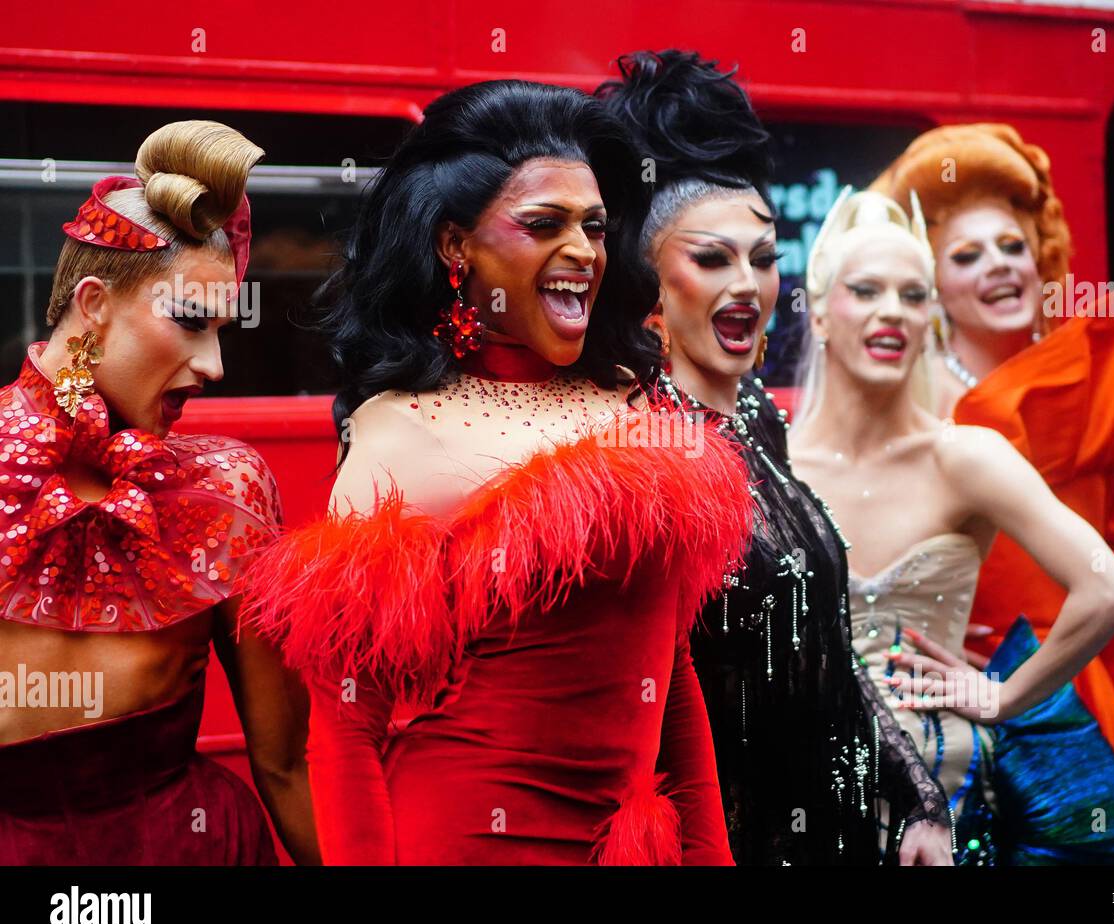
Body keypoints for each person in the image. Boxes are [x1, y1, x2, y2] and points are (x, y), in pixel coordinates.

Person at [240, 80, 751, 865]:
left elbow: (674, 674)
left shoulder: (635, 401)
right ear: (456, 247)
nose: (583, 250)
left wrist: (711, 855)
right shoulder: (398, 431)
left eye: (594, 226)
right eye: (544, 224)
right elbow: (345, 732)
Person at [598, 49, 952, 865]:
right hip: (728, 837)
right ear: (651, 281)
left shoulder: (757, 413)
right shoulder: (634, 449)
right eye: (712, 259)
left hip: (842, 829)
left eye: (762, 257)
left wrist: (917, 797)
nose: (749, 284)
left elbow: (821, 636)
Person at [789, 187, 1114, 864]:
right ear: (818, 314)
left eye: (912, 295)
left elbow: (1109, 592)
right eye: (866, 290)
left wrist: (1001, 697)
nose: (891, 312)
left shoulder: (966, 456)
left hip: (947, 789)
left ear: (931, 315)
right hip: (799, 786)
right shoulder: (775, 462)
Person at [872, 125, 1114, 864]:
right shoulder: (909, 406)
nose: (997, 267)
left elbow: (1104, 594)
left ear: (1040, 258)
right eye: (966, 255)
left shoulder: (1079, 393)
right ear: (930, 287)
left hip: (1078, 704)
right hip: (951, 727)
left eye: (1011, 247)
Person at [0, 120, 317, 865]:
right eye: (189, 323)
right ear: (94, 303)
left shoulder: (227, 486)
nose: (213, 366)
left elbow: (284, 763)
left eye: (222, 334)